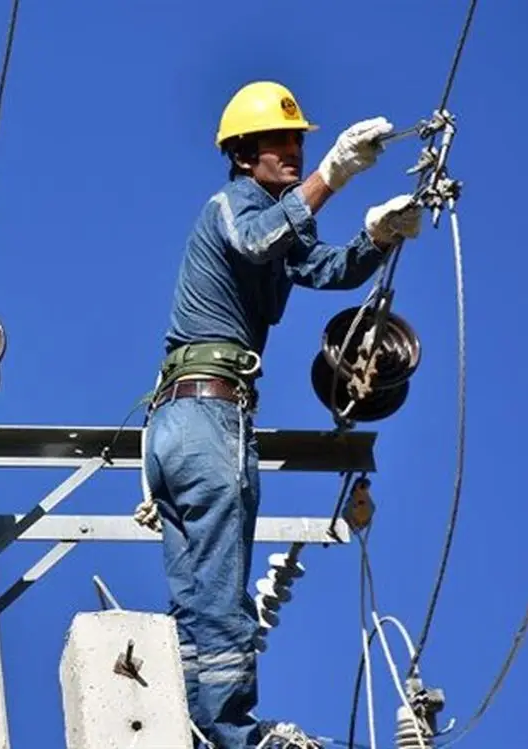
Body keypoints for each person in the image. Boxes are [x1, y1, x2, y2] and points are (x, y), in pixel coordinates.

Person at [141, 81, 422, 749]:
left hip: (178, 424)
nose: (294, 150)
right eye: (280, 140)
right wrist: (336, 173)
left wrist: (376, 238)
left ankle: (190, 721)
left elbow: (320, 266)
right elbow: (262, 240)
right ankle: (237, 735)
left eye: (300, 140)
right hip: (209, 420)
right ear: (243, 154)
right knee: (223, 591)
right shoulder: (233, 205)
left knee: (198, 594)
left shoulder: (271, 214)